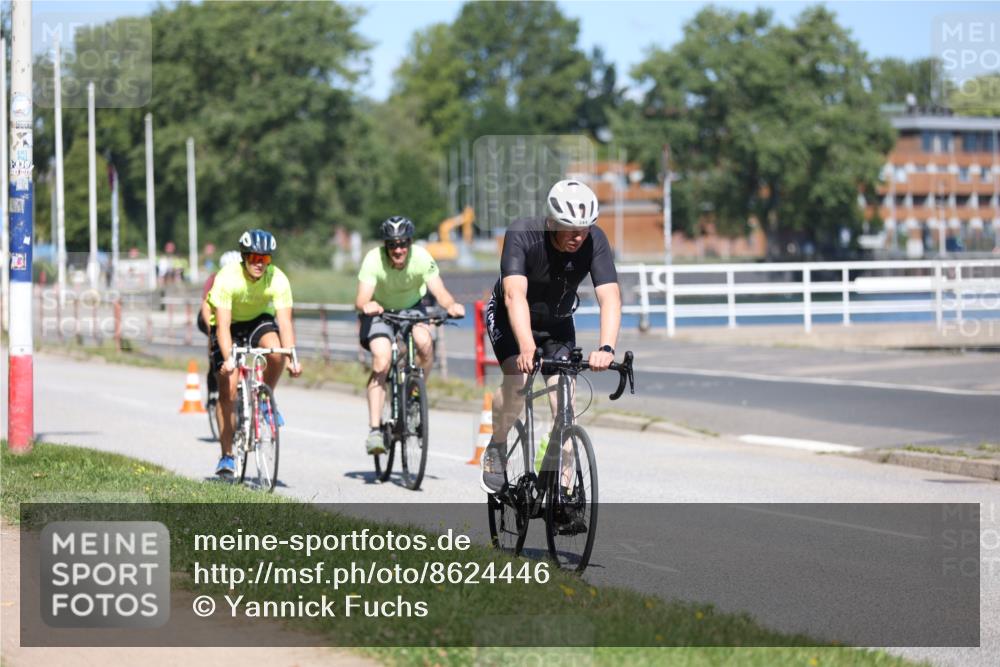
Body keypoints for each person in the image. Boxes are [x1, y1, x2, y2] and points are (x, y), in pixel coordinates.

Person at [481, 180, 622, 502]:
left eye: (585, 229)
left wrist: (606, 348)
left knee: (567, 407)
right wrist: (527, 346)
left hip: (557, 324)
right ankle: (498, 445)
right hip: (510, 318)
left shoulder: (594, 240)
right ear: (552, 222)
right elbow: (514, 296)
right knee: (517, 380)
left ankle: (564, 493)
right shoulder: (523, 234)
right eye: (571, 229)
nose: (579, 236)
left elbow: (610, 299)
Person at [355, 216, 465, 455]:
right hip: (381, 311)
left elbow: (440, 291)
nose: (398, 249)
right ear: (386, 245)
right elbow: (361, 299)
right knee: (382, 361)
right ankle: (375, 430)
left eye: (403, 243)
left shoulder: (422, 257)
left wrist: (451, 305)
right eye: (393, 244)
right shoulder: (373, 259)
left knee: (425, 344)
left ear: (410, 242)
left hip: (413, 308)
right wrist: (367, 306)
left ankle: (415, 390)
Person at [206, 230, 302, 477]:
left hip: (258, 320)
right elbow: (223, 327)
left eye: (265, 259)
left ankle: (265, 400)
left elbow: (286, 323)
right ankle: (227, 456)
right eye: (255, 258)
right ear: (244, 257)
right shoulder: (228, 278)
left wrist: (292, 358)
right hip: (229, 325)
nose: (260, 264)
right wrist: (229, 360)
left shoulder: (277, 279)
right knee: (228, 389)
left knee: (276, 352)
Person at [198, 250, 242, 407]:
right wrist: (212, 332)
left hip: (233, 316)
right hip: (211, 315)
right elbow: (206, 307)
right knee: (215, 345)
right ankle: (213, 383)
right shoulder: (214, 280)